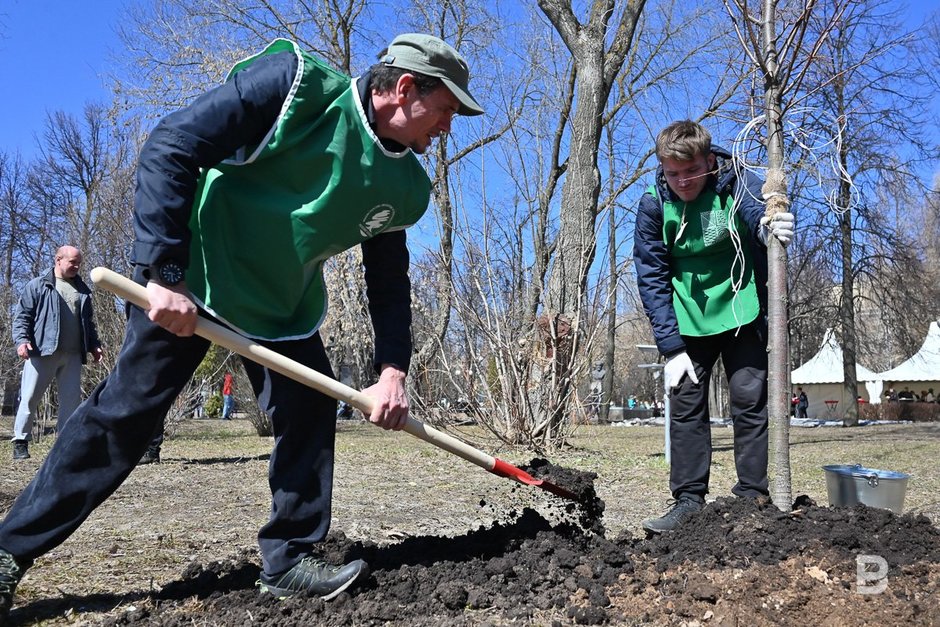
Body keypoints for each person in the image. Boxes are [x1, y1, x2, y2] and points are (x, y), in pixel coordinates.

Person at [0, 33, 483, 619]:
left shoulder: (404, 186)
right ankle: (9, 552)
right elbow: (172, 145)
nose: (446, 128)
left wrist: (392, 370)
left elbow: (388, 281)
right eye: (445, 111)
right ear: (405, 89)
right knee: (121, 421)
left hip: (282, 307)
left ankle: (290, 562)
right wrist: (165, 274)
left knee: (308, 414)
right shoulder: (294, 87)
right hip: (194, 284)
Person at [633, 120, 795, 534]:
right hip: (688, 318)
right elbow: (651, 275)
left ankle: (752, 497)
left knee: (748, 397)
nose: (682, 181)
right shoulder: (654, 204)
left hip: (742, 309)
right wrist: (670, 347)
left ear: (709, 161)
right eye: (672, 173)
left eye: (691, 170)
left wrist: (766, 229)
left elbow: (756, 212)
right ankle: (688, 501)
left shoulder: (735, 179)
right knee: (686, 404)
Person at [9, 246, 104, 460]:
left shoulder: (82, 290)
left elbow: (87, 323)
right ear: (58, 260)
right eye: (72, 262)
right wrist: (22, 341)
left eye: (79, 262)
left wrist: (94, 345)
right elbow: (23, 316)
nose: (77, 266)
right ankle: (20, 441)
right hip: (41, 351)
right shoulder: (38, 285)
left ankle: (64, 444)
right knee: (30, 397)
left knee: (71, 400)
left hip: (72, 355)